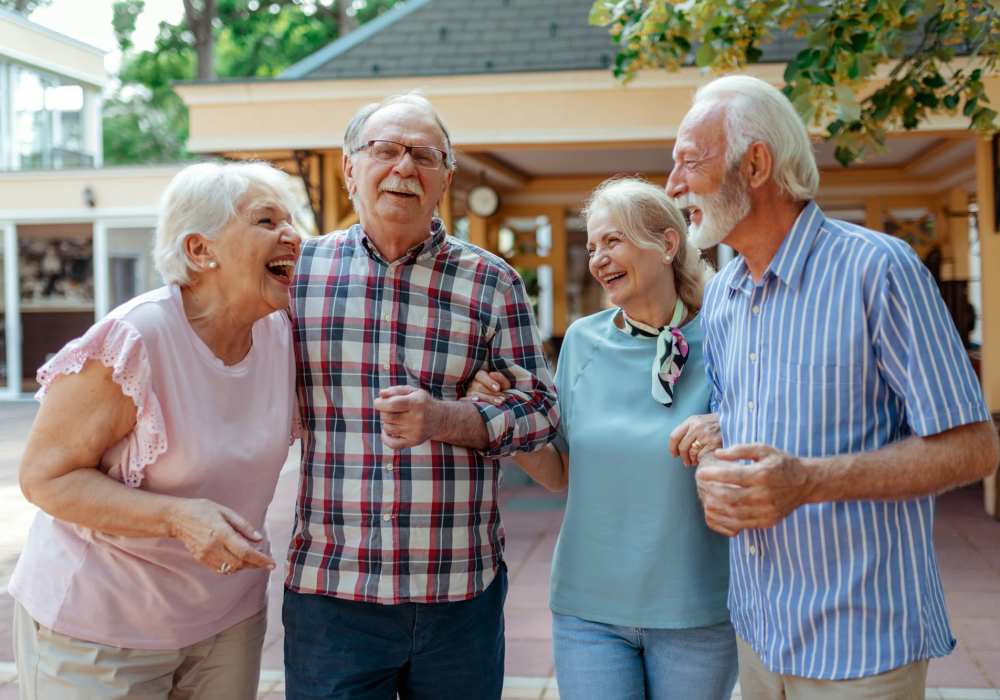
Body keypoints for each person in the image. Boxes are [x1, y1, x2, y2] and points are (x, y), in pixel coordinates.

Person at [665, 74, 1000, 699]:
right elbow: (763, 422)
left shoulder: (880, 269)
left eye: (688, 161)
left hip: (863, 643)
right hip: (759, 633)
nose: (672, 185)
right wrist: (718, 441)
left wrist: (810, 481)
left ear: (756, 163)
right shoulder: (725, 301)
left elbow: (975, 447)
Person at [283, 92, 560, 700]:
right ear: (349, 167)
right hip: (334, 591)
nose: (405, 167)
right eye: (386, 150)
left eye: (425, 156)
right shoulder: (298, 275)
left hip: (458, 591)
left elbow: (540, 413)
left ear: (446, 179)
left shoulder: (492, 281)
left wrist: (449, 417)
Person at [9, 161, 302, 699]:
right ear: (199, 250)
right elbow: (45, 479)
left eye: (290, 220)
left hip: (228, 620)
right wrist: (176, 516)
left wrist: (473, 389)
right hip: (100, 626)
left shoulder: (284, 335)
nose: (292, 235)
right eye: (266, 221)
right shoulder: (135, 341)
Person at [465, 177, 737, 700]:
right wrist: (503, 420)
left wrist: (734, 428)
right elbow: (561, 473)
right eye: (591, 247)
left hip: (695, 608)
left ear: (667, 244)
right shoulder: (583, 341)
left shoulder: (728, 337)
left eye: (612, 241)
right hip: (588, 607)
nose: (597, 258)